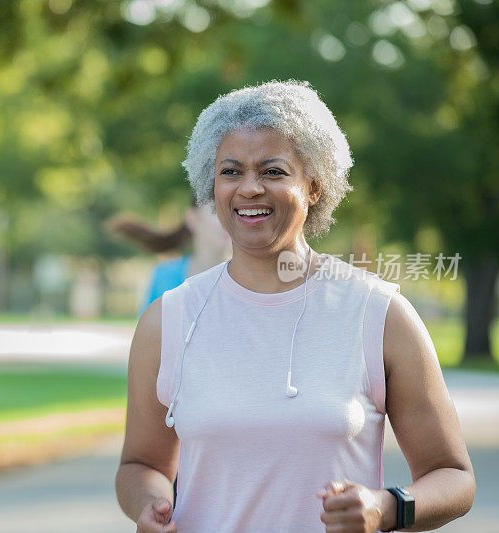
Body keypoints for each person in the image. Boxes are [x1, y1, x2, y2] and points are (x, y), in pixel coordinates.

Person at [115, 80, 475, 532]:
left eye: (273, 171)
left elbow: (455, 478)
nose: (249, 189)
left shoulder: (378, 313)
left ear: (315, 187)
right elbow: (140, 464)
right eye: (230, 171)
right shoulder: (168, 319)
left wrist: (386, 507)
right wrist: (149, 505)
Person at [111, 200, 230, 312]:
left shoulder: (245, 281)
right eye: (216, 210)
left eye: (233, 210)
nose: (227, 219)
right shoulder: (164, 276)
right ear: (192, 218)